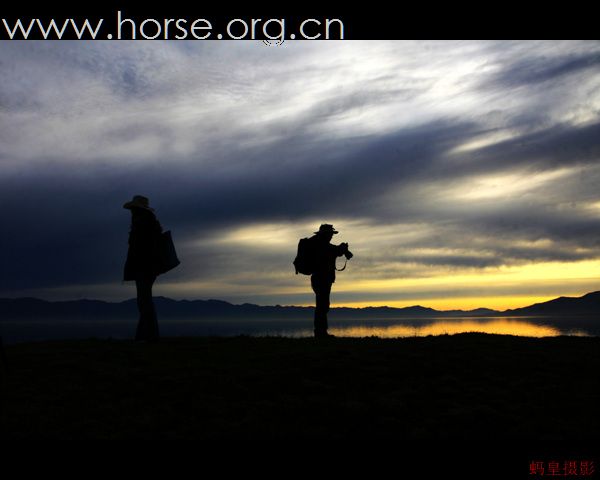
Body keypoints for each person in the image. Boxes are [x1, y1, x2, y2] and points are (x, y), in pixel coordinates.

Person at [123, 195, 163, 342]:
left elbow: (140, 248)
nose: (132, 212)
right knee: (145, 300)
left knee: (144, 301)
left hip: (144, 267)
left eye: (133, 209)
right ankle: (146, 335)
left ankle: (147, 336)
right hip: (148, 267)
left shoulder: (143, 224)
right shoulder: (148, 223)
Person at [310, 224, 353, 338]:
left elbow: (336, 251)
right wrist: (343, 249)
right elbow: (335, 251)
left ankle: (321, 332)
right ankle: (320, 333)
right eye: (330, 234)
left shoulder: (321, 246)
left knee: (322, 305)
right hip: (321, 279)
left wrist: (342, 249)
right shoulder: (322, 247)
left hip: (320, 279)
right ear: (325, 235)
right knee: (322, 306)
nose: (331, 236)